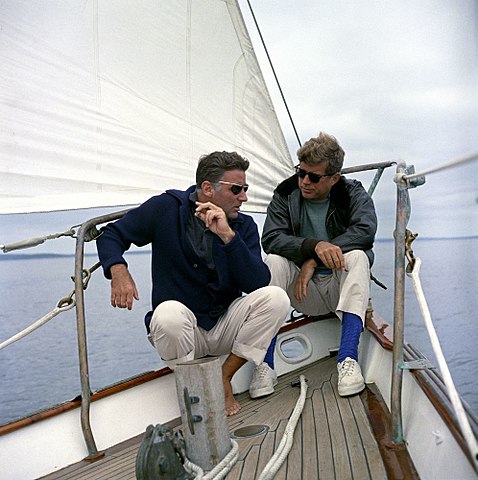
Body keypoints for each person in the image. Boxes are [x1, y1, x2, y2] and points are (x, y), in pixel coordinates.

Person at [96, 151, 290, 416]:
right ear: (208, 188)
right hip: (184, 332)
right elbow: (112, 234)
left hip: (223, 327)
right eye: (237, 189)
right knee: (167, 315)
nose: (243, 197)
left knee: (276, 298)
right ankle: (194, 385)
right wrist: (118, 270)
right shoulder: (165, 208)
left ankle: (223, 377)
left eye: (245, 189)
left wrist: (227, 236)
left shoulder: (242, 226)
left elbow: (257, 283)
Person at [261, 132, 377, 396]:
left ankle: (348, 360)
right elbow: (271, 238)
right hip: (303, 292)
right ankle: (265, 365)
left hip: (339, 288)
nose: (304, 181)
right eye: (301, 172)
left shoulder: (351, 193)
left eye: (313, 177)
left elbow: (365, 231)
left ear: (334, 178)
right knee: (274, 261)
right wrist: (313, 246)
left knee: (358, 257)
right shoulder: (285, 193)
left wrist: (312, 259)